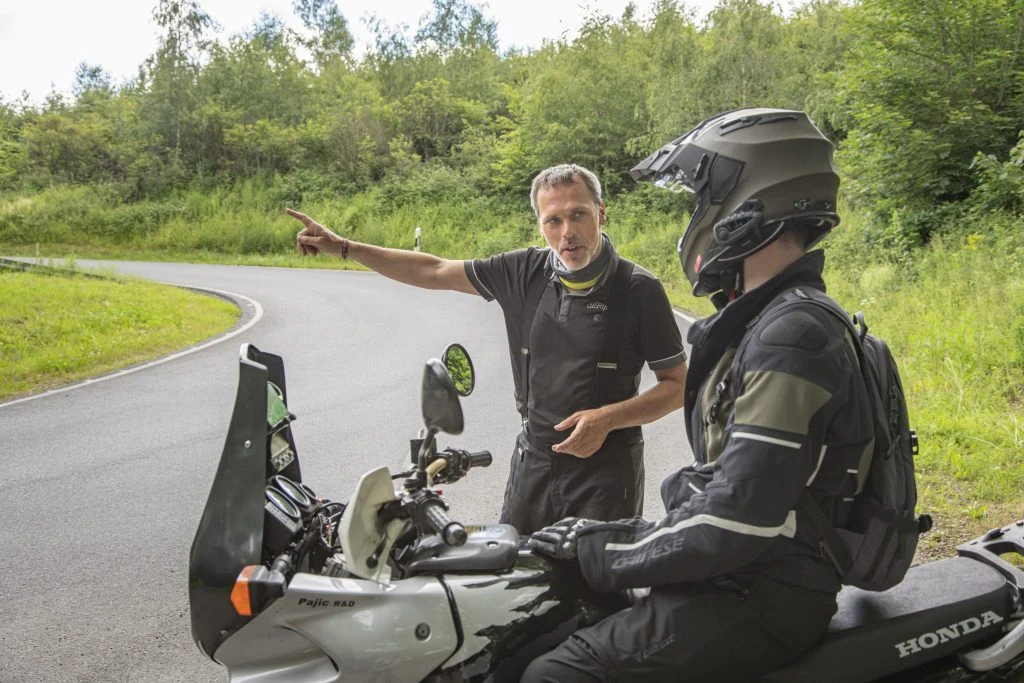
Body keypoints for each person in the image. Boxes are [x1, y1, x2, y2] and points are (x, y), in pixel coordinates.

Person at [524, 108, 877, 682]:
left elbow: (740, 519)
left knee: (554, 673)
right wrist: (611, 540)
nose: (697, 216)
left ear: (750, 201)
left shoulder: (793, 334)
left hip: (763, 590)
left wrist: (603, 551)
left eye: (703, 199)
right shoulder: (769, 321)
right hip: (745, 569)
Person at [286, 164, 687, 534]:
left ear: (601, 213)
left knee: (599, 598)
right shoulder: (522, 272)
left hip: (607, 474)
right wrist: (344, 247)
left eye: (578, 214)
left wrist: (608, 419)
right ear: (540, 225)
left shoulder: (639, 289)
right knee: (513, 584)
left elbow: (678, 385)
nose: (568, 232)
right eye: (554, 220)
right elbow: (433, 269)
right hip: (534, 464)